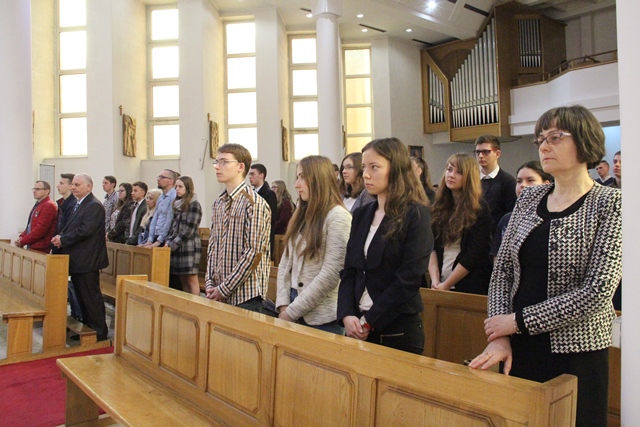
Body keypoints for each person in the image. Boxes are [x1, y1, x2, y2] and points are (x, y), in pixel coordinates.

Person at [469, 105, 622, 427]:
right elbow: (503, 270)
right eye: (540, 139)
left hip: (576, 352)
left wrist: (517, 321)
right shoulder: (530, 197)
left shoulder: (611, 203)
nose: (544, 146)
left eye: (555, 137)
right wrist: (499, 334)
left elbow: (597, 290)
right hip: (520, 345)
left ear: (584, 141)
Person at [338, 137, 432, 355]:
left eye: (374, 167)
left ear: (396, 169)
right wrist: (347, 314)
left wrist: (370, 320)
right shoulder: (362, 214)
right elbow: (350, 270)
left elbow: (408, 278)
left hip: (396, 329)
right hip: (356, 324)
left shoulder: (415, 214)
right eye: (364, 167)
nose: (366, 174)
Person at [275, 156, 351, 334]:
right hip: (291, 302)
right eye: (297, 177)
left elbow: (331, 273)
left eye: (302, 177)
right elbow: (285, 262)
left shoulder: (338, 216)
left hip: (321, 315)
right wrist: (283, 303)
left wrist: (292, 311)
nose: (296, 184)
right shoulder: (301, 214)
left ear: (318, 179)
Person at [205, 144, 271, 314]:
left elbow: (253, 253)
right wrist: (210, 283)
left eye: (224, 162)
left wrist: (224, 289)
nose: (217, 167)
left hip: (245, 295)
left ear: (240, 167)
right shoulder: (219, 202)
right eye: (216, 162)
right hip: (218, 290)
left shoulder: (254, 203)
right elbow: (213, 246)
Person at [51, 173, 109, 341]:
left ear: (88, 187)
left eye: (77, 185)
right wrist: (60, 236)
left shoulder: (94, 205)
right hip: (78, 259)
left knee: (90, 297)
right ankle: (88, 330)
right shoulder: (79, 203)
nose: (73, 187)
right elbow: (71, 226)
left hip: (87, 260)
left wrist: (63, 240)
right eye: (73, 184)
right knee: (81, 297)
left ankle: (99, 332)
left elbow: (85, 230)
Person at [428, 154, 493, 295]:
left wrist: (447, 284)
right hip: (440, 280)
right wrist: (435, 280)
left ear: (469, 177)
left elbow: (473, 254)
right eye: (449, 169)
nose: (451, 175)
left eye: (459, 172)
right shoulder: (438, 204)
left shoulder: (479, 208)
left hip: (469, 284)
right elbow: (431, 245)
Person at [489, 161, 553, 259]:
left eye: (530, 180)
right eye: (519, 181)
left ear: (546, 184)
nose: (522, 185)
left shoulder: (553, 218)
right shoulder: (507, 220)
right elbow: (498, 258)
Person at [165, 176, 203, 295]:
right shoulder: (177, 204)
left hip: (189, 245)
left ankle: (195, 303)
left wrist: (173, 244)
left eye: (180, 187)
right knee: (182, 280)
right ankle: (187, 302)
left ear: (188, 188)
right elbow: (173, 226)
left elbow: (189, 229)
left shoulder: (194, 204)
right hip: (177, 246)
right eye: (176, 187)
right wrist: (168, 241)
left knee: (191, 279)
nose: (177, 189)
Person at [474, 135, 517, 234]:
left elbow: (511, 216)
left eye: (486, 152)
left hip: (497, 235)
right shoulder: (472, 179)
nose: (480, 156)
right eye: (478, 152)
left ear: (497, 154)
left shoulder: (508, 181)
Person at [15, 180, 58, 253]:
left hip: (41, 248)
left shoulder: (49, 205)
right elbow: (30, 226)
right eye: (34, 189)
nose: (34, 191)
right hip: (32, 246)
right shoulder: (38, 204)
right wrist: (21, 237)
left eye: (37, 189)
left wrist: (23, 241)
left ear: (47, 191)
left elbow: (40, 229)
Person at [141, 169, 177, 247]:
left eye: (162, 177)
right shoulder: (161, 197)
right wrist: (150, 239)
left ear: (171, 181)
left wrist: (159, 240)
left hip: (166, 238)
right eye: (159, 177)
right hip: (156, 235)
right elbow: (155, 218)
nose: (158, 179)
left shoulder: (174, 196)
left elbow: (169, 220)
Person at [248, 163, 277, 257]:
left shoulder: (269, 194)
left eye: (252, 174)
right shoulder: (250, 194)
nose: (250, 177)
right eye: (249, 174)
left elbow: (271, 217)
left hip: (263, 236)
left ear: (261, 175)